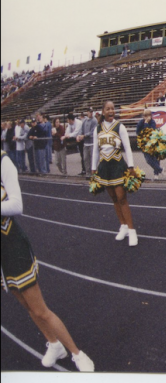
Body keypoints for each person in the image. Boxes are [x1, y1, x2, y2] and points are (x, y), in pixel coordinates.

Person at [0, 150, 95, 371]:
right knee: (26, 305)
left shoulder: (4, 162)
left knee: (40, 309)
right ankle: (54, 344)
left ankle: (76, 353)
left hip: (12, 244)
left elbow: (17, 205)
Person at [91, 101, 138, 247]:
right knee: (113, 198)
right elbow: (95, 150)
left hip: (118, 165)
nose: (111, 111)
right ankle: (123, 226)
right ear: (103, 112)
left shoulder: (120, 126)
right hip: (104, 167)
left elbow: (128, 147)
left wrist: (130, 165)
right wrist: (93, 168)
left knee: (122, 198)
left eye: (113, 108)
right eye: (108, 109)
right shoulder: (97, 128)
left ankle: (132, 231)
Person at [136, 110, 164, 179]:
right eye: (145, 116)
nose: (146, 118)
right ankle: (161, 170)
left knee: (155, 158)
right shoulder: (141, 122)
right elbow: (137, 131)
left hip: (152, 142)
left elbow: (150, 132)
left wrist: (146, 124)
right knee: (148, 160)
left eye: (148, 116)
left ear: (150, 116)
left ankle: (156, 174)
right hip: (144, 144)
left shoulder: (152, 122)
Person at [80, 109, 97, 179]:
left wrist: (84, 135)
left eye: (91, 112)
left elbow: (92, 132)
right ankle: (88, 173)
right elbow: (82, 130)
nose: (91, 113)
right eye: (89, 112)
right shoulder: (84, 121)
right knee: (86, 158)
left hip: (92, 143)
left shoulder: (94, 121)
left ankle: (93, 173)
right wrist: (80, 135)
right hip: (86, 143)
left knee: (92, 158)